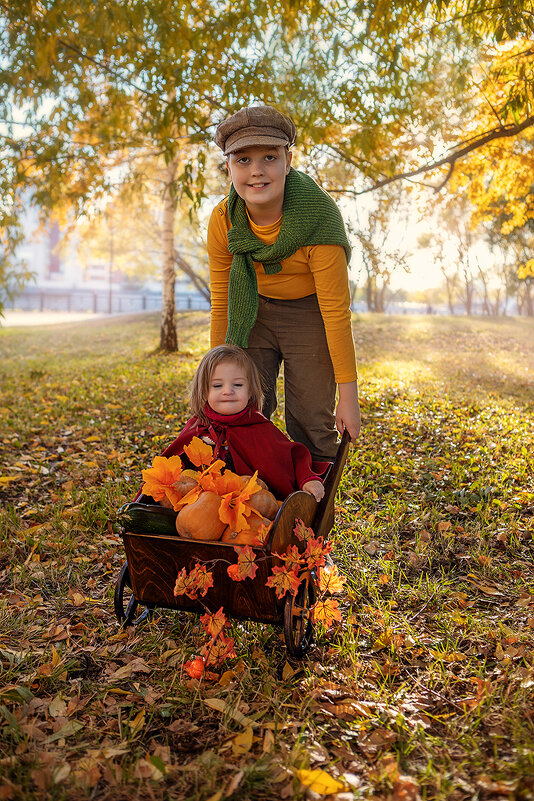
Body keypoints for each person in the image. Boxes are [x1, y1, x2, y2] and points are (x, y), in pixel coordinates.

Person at [208, 104, 360, 462]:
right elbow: (221, 302)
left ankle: (312, 506)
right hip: (250, 308)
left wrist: (349, 397)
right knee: (241, 408)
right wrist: (214, 377)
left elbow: (336, 312)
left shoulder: (318, 217)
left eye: (269, 157)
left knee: (309, 418)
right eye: (243, 160)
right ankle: (250, 502)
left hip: (309, 312)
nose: (257, 171)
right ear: (228, 167)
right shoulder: (223, 220)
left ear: (288, 161)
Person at [151, 345, 326, 501]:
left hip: (249, 510)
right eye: (217, 386)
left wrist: (307, 478)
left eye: (238, 385)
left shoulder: (260, 428)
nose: (228, 391)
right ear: (204, 391)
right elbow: (172, 465)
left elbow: (291, 456)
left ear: (250, 391)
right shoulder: (198, 428)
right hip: (199, 508)